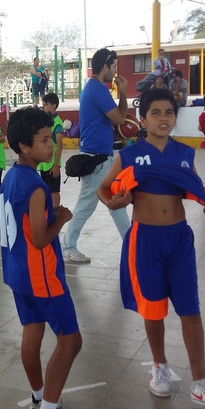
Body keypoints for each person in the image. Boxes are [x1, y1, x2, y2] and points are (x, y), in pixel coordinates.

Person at [96, 88, 205, 407]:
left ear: (175, 118)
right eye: (155, 112)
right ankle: (160, 366)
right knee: (153, 310)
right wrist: (113, 202)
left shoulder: (184, 153)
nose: (163, 118)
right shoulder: (129, 155)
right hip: (146, 240)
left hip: (179, 238)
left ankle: (200, 381)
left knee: (190, 308)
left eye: (169, 112)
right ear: (143, 119)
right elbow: (104, 188)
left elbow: (193, 187)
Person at [0, 106, 81, 409]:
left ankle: (39, 398)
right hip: (41, 275)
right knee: (71, 341)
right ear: (24, 146)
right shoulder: (35, 186)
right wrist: (61, 218)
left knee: (32, 333)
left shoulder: (11, 176)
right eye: (45, 140)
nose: (52, 145)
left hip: (18, 272)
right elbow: (39, 238)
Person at [61, 48, 131, 264]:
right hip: (97, 159)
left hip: (100, 157)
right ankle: (68, 246)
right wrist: (123, 92)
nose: (116, 71)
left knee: (115, 202)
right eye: (114, 67)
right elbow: (120, 119)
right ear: (105, 67)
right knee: (88, 205)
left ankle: (132, 244)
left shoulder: (93, 88)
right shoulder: (98, 90)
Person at [37, 93, 64, 208]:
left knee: (54, 190)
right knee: (45, 189)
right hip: (44, 164)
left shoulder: (57, 123)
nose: (43, 107)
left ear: (53, 106)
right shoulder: (46, 121)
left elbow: (60, 144)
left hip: (52, 164)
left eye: (45, 105)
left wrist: (56, 165)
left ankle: (55, 210)